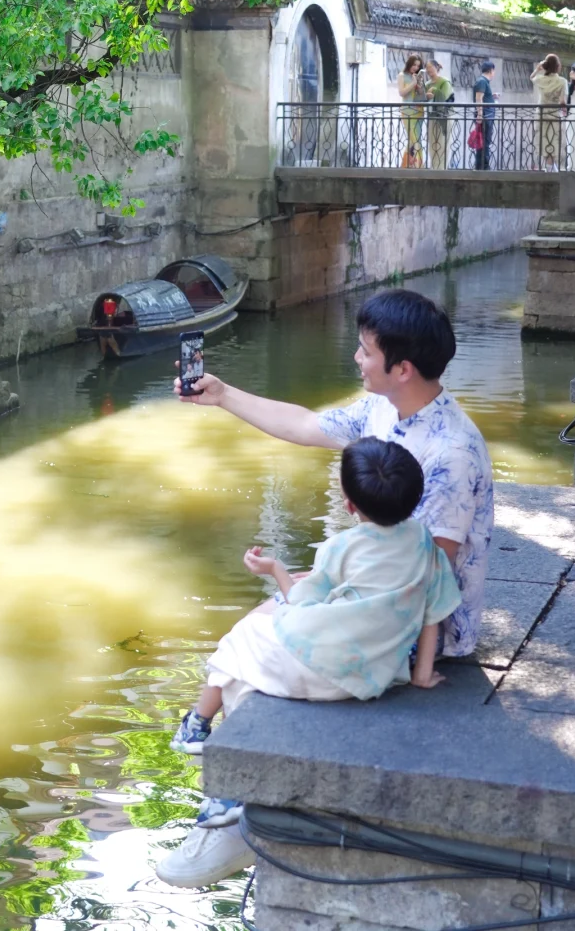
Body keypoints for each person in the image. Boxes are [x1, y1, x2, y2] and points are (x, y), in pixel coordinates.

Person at [156, 287, 493, 890]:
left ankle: (231, 798)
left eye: (365, 352)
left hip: (417, 624)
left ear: (403, 367)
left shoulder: (452, 452)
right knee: (276, 614)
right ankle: (225, 781)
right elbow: (309, 424)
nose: (356, 361)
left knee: (273, 636)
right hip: (376, 585)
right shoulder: (386, 411)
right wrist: (224, 395)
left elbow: (424, 577)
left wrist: (316, 601)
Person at [531, 54, 569, 172]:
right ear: (557, 66)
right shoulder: (562, 81)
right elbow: (562, 101)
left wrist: (537, 69)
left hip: (541, 112)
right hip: (553, 113)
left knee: (543, 137)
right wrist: (565, 110)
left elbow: (531, 78)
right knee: (553, 139)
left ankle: (548, 166)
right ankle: (551, 166)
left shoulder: (540, 79)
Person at [424, 59, 454, 169]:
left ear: (437, 67)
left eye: (431, 67)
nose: (429, 70)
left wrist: (434, 91)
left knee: (443, 143)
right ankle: (434, 168)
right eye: (427, 68)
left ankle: (442, 170)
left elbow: (446, 99)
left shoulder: (445, 82)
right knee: (433, 143)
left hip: (444, 117)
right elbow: (422, 100)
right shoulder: (426, 84)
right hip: (432, 116)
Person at [397, 54, 426, 168]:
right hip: (407, 111)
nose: (415, 67)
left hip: (419, 111)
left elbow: (421, 95)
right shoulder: (402, 75)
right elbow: (401, 93)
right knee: (415, 140)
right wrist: (413, 83)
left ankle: (406, 167)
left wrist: (419, 86)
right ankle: (418, 167)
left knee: (414, 140)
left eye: (418, 66)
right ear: (409, 63)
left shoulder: (417, 76)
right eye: (414, 64)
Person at [472, 59, 496, 170]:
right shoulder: (482, 81)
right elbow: (479, 98)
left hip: (487, 116)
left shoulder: (484, 82)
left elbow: (483, 97)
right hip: (485, 116)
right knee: (483, 142)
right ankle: (482, 166)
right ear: (491, 70)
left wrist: (492, 96)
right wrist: (480, 115)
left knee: (484, 142)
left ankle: (482, 166)